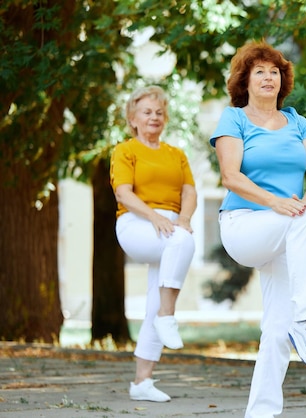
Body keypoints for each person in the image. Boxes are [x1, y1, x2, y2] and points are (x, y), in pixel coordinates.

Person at [209, 41, 306, 418]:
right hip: (244, 226)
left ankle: (261, 412)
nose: (268, 77)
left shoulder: (297, 120)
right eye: (259, 71)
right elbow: (231, 177)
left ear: (282, 81)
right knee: (303, 221)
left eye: (274, 71)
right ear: (244, 81)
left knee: (277, 329)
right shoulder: (234, 119)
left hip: (288, 230)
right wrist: (277, 203)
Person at [110, 85, 197, 403]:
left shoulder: (177, 154)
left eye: (159, 112)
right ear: (133, 119)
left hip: (172, 227)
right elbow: (123, 193)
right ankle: (168, 315)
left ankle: (141, 382)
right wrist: (156, 219)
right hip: (136, 223)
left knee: (153, 298)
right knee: (182, 242)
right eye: (147, 112)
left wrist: (184, 218)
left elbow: (189, 192)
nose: (154, 117)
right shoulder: (126, 150)